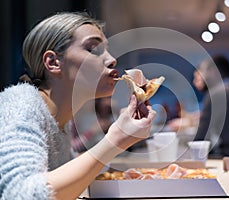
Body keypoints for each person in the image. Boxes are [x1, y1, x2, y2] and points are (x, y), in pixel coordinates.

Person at [0, 12, 156, 199]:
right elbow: (19, 194)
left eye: (107, 50)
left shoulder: (62, 119)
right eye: (93, 49)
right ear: (53, 62)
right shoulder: (20, 106)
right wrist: (115, 140)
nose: (112, 59)